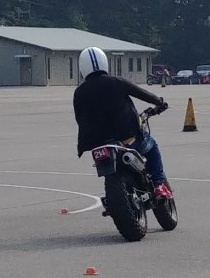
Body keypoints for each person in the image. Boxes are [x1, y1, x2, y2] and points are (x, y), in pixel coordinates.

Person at [73, 46, 172, 199]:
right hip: (127, 137)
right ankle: (159, 185)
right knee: (152, 147)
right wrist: (159, 102)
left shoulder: (79, 92)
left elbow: (79, 118)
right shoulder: (116, 82)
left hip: (99, 145)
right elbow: (142, 94)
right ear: (103, 62)